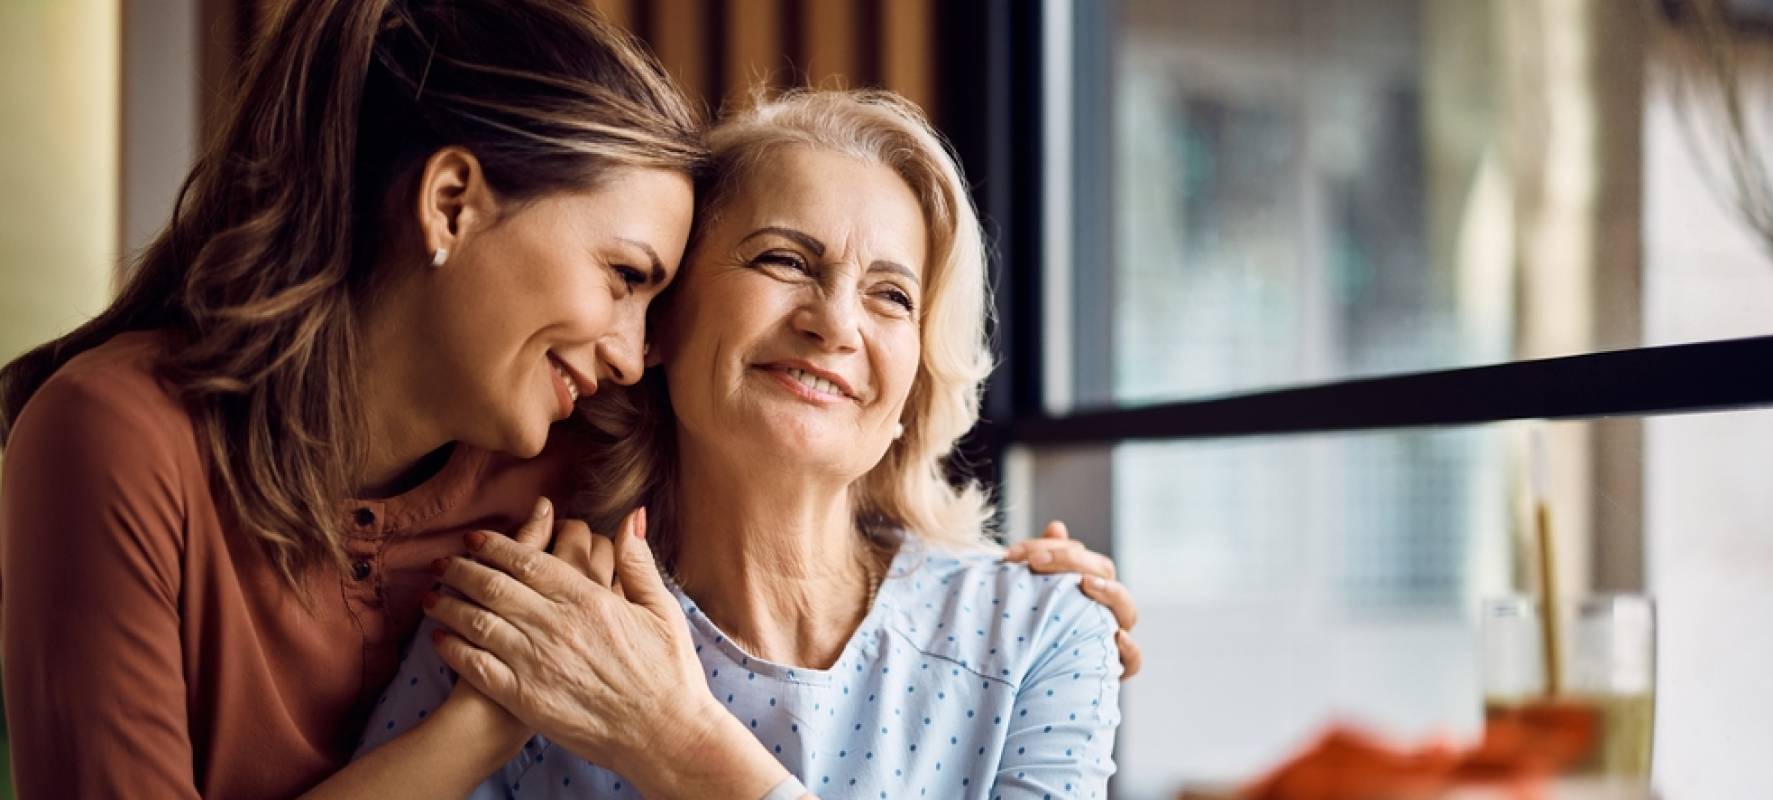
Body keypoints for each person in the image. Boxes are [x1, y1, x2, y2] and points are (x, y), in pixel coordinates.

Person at [0, 3, 1136, 798]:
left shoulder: (555, 456)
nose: (636, 352)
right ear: (451, 204)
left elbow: (803, 453)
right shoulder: (125, 438)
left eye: (892, 293)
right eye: (631, 279)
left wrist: (1037, 594)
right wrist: (491, 718)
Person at [354, 90, 1125, 799]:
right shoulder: (524, 615)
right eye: (784, 260)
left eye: (891, 296)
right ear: (662, 324)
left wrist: (675, 740)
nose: (836, 324)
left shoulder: (1040, 631)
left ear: (915, 386)